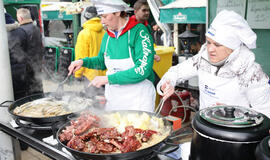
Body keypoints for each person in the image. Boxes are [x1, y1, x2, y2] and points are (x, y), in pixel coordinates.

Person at [157, 10, 270, 118]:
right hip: (205, 126)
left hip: (236, 135)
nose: (210, 49)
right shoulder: (202, 60)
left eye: (217, 45)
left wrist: (234, 114)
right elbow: (176, 71)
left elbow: (265, 113)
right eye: (209, 42)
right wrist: (168, 83)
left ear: (233, 47)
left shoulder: (252, 74)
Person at [68, 0, 156, 112]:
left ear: (118, 13)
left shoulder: (139, 32)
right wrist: (82, 62)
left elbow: (143, 70)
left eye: (105, 16)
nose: (102, 22)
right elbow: (102, 61)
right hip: (115, 98)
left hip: (138, 99)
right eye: (101, 17)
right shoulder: (107, 36)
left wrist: (108, 79)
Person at [74, 6, 106, 83]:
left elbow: (81, 55)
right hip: (104, 76)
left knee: (91, 95)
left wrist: (78, 74)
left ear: (85, 17)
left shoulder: (84, 33)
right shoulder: (105, 33)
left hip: (90, 76)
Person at [16, 8, 44, 96]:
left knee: (30, 93)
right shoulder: (36, 28)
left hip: (27, 67)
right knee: (38, 89)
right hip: (38, 64)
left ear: (20, 18)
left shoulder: (21, 31)